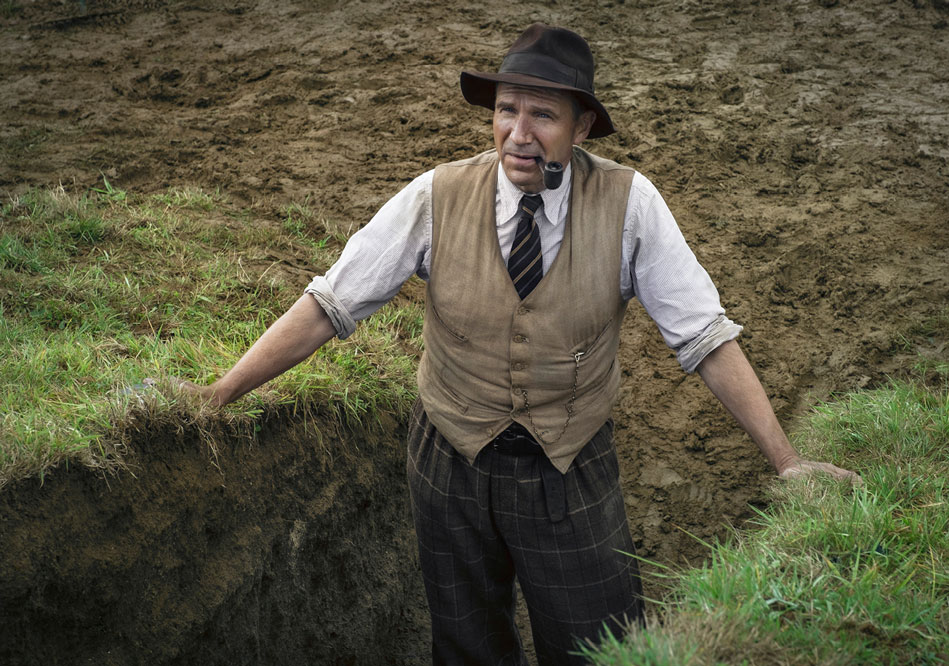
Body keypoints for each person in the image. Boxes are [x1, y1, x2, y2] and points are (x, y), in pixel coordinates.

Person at [178, 23, 859, 665]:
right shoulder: (436, 196)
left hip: (569, 470)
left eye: (544, 116)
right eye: (506, 110)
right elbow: (331, 303)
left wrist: (786, 459)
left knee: (602, 646)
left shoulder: (631, 205)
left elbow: (705, 336)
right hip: (448, 462)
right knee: (467, 643)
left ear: (582, 124)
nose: (519, 135)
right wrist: (220, 393)